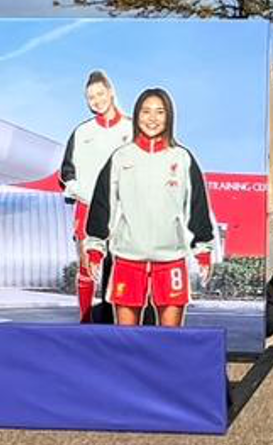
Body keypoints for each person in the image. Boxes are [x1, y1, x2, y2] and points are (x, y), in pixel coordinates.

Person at [83, 88, 215, 327]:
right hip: (128, 259)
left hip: (171, 259)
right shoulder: (121, 158)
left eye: (160, 112)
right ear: (136, 115)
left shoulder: (182, 158)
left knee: (170, 341)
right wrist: (95, 247)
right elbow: (103, 205)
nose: (152, 118)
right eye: (146, 111)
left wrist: (203, 249)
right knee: (126, 339)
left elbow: (197, 207)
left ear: (169, 117)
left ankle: (167, 366)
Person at [57, 70, 131, 324]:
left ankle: (121, 322)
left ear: (110, 92)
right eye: (90, 97)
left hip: (124, 210)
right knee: (88, 266)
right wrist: (80, 190)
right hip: (88, 209)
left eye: (100, 94)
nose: (96, 100)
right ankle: (85, 321)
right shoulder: (81, 132)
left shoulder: (131, 128)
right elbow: (66, 171)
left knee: (122, 268)